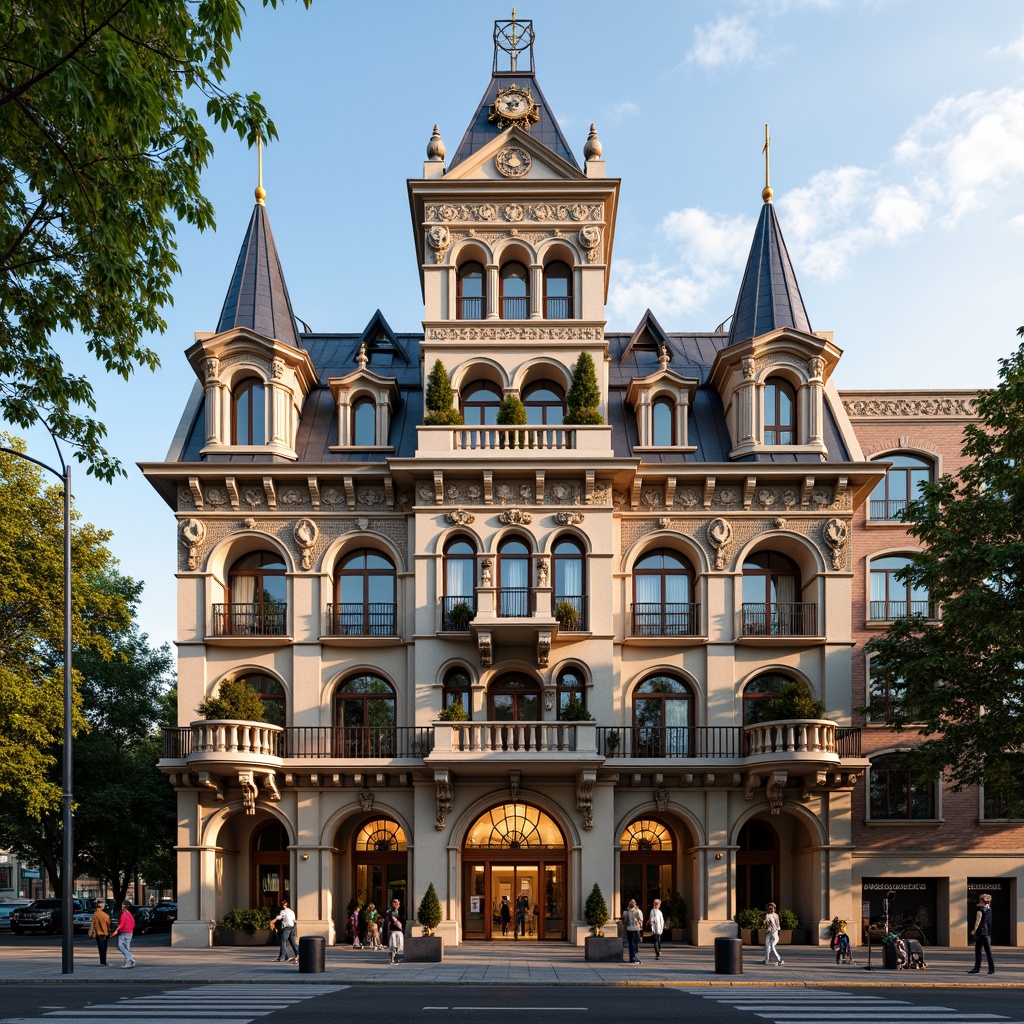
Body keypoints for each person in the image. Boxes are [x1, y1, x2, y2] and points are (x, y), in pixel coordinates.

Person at [968, 892, 995, 975]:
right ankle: (991, 968)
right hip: (987, 933)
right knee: (988, 951)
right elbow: (989, 922)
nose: (979, 901)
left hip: (980, 932)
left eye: (980, 899)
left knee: (978, 951)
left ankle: (977, 968)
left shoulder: (980, 910)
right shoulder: (989, 909)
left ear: (982, 901)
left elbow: (978, 920)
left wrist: (974, 930)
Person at [110, 901, 136, 969]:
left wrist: (116, 932)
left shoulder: (123, 914)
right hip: (130, 932)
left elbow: (121, 924)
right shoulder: (129, 914)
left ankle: (130, 959)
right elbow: (133, 923)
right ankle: (129, 962)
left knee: (120, 946)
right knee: (127, 948)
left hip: (124, 932)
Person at [89, 900, 111, 967]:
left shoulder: (95, 914)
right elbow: (109, 924)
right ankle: (104, 962)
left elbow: (93, 924)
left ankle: (102, 962)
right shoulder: (106, 915)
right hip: (105, 933)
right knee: (104, 948)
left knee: (101, 948)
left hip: (98, 933)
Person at [762, 902, 783, 966]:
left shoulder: (776, 915)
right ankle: (766, 959)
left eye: (773, 907)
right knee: (767, 945)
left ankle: (779, 959)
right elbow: (766, 924)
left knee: (772, 945)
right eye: (770, 908)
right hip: (769, 933)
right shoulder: (767, 915)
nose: (772, 909)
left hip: (774, 933)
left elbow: (777, 925)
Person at [623, 898, 644, 964]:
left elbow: (625, 921)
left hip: (629, 929)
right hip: (635, 929)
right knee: (635, 944)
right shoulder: (637, 911)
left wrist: (625, 927)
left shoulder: (627, 912)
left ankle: (632, 958)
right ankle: (635, 957)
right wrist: (640, 927)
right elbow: (640, 919)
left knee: (631, 944)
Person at [386, 898, 404, 965]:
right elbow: (392, 921)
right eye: (397, 904)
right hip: (394, 930)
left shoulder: (397, 911)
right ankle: (392, 959)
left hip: (398, 930)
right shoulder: (391, 911)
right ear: (393, 904)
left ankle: (394, 959)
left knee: (398, 945)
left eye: (399, 904)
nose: (398, 905)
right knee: (393, 945)